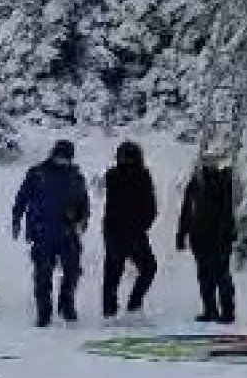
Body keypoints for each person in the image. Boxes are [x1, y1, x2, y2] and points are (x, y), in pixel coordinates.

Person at [12, 140, 90, 327]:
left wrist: (82, 219)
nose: (63, 161)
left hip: (68, 232)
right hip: (42, 232)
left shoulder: (76, 176)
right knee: (43, 274)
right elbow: (22, 198)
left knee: (72, 271)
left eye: (66, 158)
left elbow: (83, 202)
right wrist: (16, 220)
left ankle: (66, 305)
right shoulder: (37, 173)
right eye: (60, 157)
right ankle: (44, 312)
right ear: (54, 155)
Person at [176, 150, 238, 324]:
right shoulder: (196, 184)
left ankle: (227, 312)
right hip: (201, 237)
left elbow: (227, 211)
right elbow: (187, 210)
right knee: (205, 275)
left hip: (218, 237)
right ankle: (210, 309)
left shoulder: (223, 183)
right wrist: (182, 233)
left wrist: (224, 233)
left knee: (220, 274)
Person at [101, 141, 158, 322]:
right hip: (132, 231)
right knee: (148, 268)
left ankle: (110, 310)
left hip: (115, 231)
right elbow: (150, 206)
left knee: (113, 271)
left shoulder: (113, 176)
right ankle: (133, 304)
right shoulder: (142, 176)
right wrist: (143, 224)